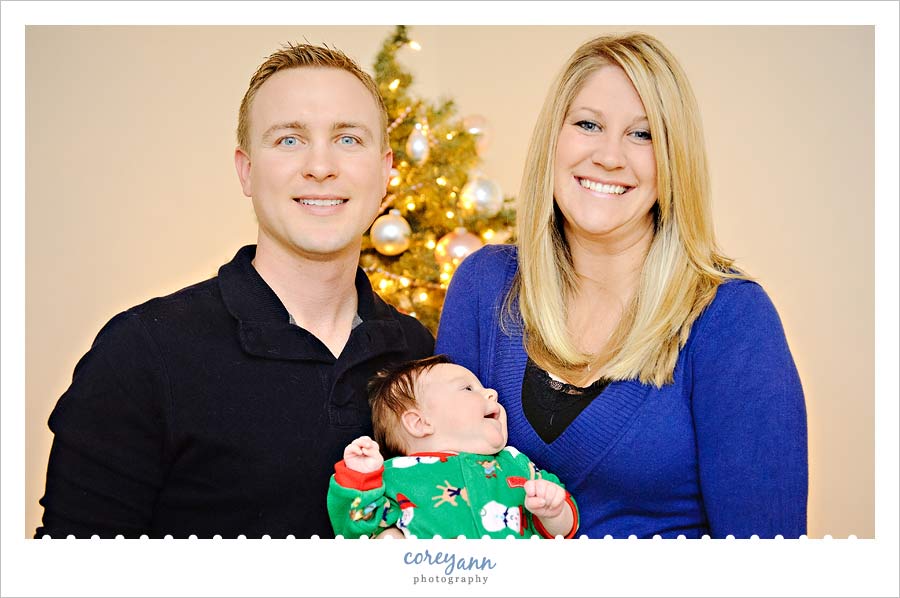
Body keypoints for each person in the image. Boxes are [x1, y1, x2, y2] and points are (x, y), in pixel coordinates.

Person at [35, 43, 434, 539]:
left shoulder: (420, 355)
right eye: (289, 140)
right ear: (246, 171)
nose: (320, 165)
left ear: (385, 171)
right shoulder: (141, 353)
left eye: (349, 139)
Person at [435, 32, 807, 539]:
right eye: (588, 124)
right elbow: (436, 486)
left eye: (643, 134)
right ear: (554, 139)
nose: (610, 156)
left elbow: (770, 566)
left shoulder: (732, 318)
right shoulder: (485, 286)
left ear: (674, 161)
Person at [327, 355, 578, 539]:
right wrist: (362, 479)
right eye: (468, 388)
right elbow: (356, 524)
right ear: (420, 422)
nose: (492, 393)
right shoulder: (394, 476)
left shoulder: (516, 464)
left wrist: (553, 511)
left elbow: (566, 529)